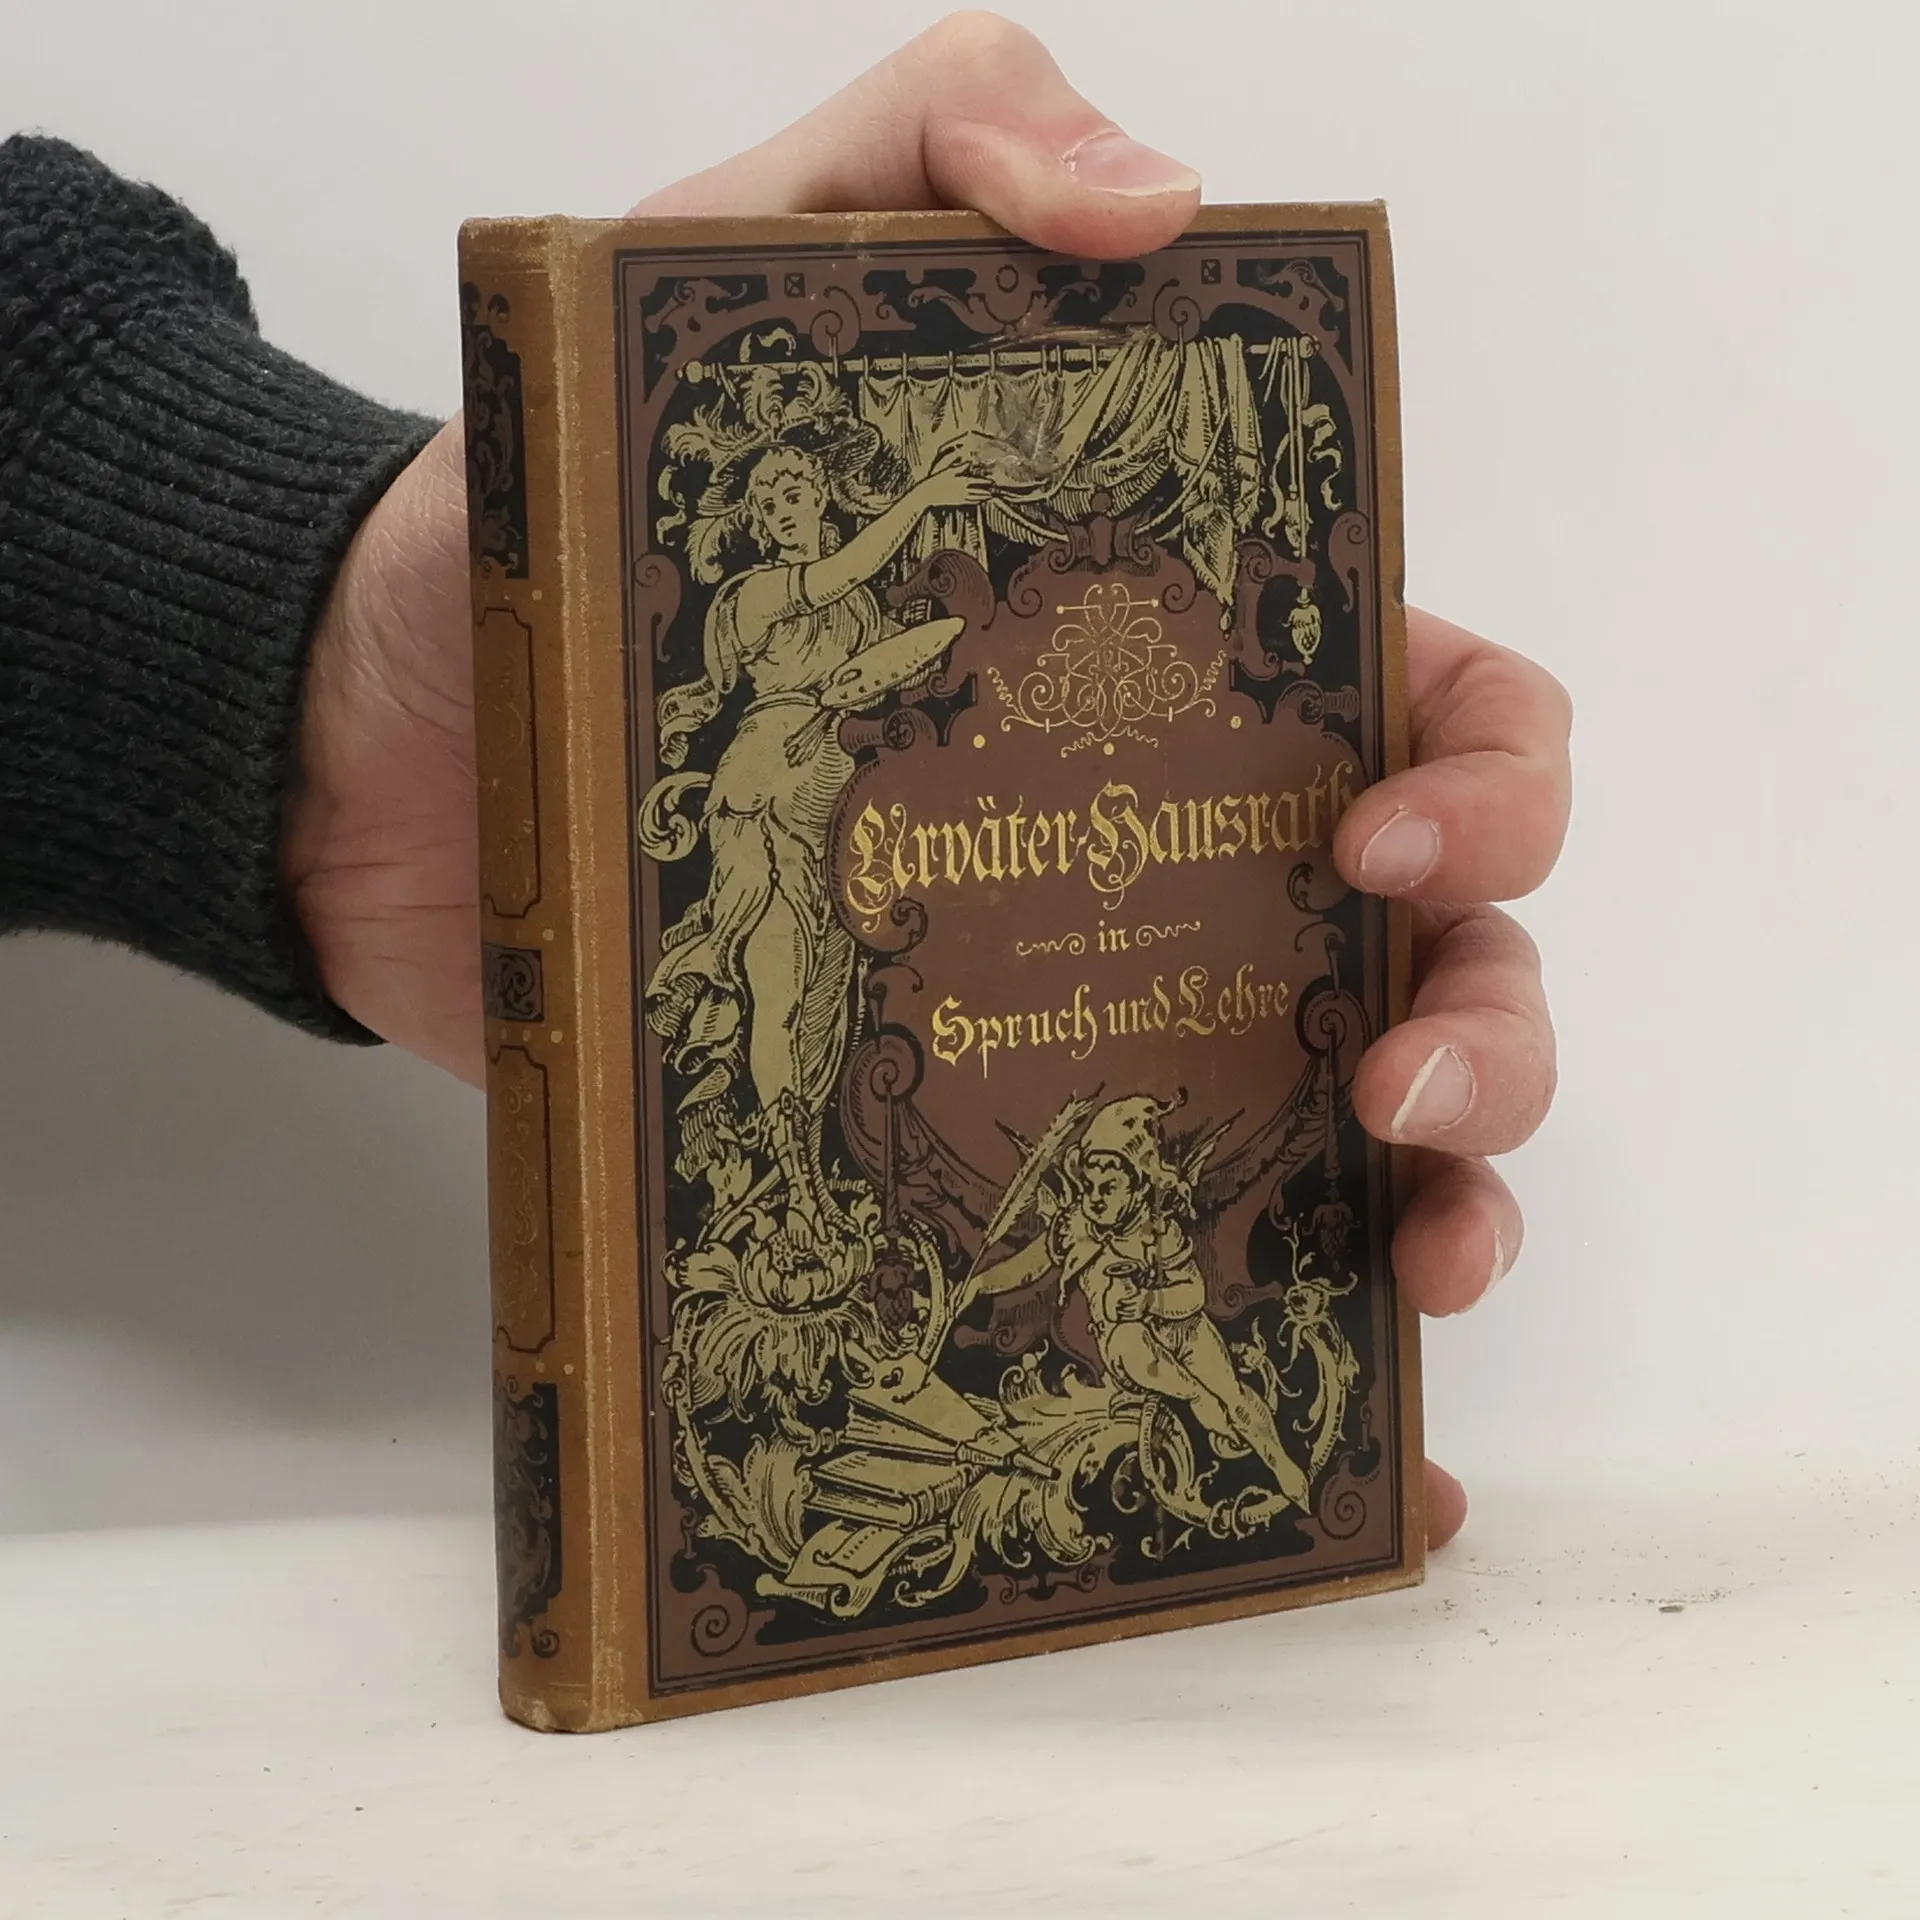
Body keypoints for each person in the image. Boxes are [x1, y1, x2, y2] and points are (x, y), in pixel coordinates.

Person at [0, 13, 1571, 1551]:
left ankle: (841, 1224)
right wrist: (919, 528)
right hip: (763, 817)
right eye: (800, 502)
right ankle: (796, 1215)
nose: (813, 516)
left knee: (825, 1027)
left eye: (823, 500)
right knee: (782, 1018)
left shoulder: (823, 598)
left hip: (830, 820)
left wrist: (326, 672)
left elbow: (889, 654)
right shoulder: (762, 598)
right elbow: (840, 631)